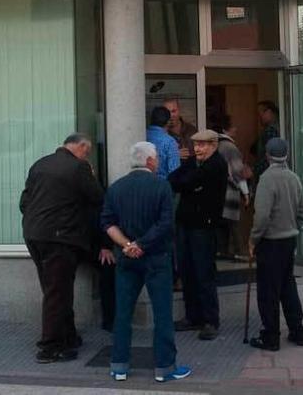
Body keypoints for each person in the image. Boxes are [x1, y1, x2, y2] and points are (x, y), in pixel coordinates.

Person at [101, 141, 192, 383]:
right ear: (150, 161)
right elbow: (165, 224)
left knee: (123, 313)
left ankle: (119, 366)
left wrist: (126, 246)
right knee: (162, 313)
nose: (158, 162)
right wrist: (141, 244)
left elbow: (107, 222)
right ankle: (165, 367)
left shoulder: (116, 188)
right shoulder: (161, 186)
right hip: (156, 258)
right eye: (157, 159)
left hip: (126, 260)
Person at [20, 133, 106, 363]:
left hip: (33, 235)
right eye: (86, 152)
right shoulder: (78, 168)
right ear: (79, 146)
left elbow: (24, 202)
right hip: (60, 237)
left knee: (54, 289)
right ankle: (50, 347)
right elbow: (97, 197)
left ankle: (68, 336)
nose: (86, 156)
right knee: (58, 293)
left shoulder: (40, 164)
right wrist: (92, 175)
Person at [248, 137, 303, 352]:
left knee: (268, 290)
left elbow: (262, 216)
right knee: (287, 286)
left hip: (271, 241)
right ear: (287, 155)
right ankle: (297, 330)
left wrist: (253, 239)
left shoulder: (266, 179)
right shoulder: (293, 177)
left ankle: (271, 336)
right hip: (288, 240)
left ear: (267, 155)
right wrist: (293, 227)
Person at [168, 129, 228, 341]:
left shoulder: (216, 165)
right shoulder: (194, 162)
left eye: (203, 145)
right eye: (196, 145)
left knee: (204, 273)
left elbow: (187, 182)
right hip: (185, 224)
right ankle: (192, 317)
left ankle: (210, 320)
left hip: (204, 226)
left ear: (213, 145)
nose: (198, 149)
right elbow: (173, 179)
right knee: (187, 271)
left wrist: (188, 184)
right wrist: (188, 184)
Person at [212, 114, 251, 259]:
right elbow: (238, 173)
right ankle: (240, 252)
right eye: (233, 126)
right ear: (226, 129)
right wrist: (246, 194)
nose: (236, 129)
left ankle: (222, 251)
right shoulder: (230, 147)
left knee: (221, 225)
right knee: (234, 224)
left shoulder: (216, 145)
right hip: (230, 192)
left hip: (217, 191)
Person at [146, 106, 181, 180]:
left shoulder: (141, 135)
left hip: (143, 184)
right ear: (168, 122)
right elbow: (175, 172)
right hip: (163, 186)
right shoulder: (170, 142)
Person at [252, 101, 280, 183]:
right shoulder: (274, 129)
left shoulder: (271, 131)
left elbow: (270, 155)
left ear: (269, 112)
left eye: (260, 114)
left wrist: (254, 170)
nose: (259, 117)